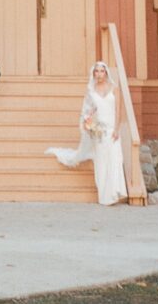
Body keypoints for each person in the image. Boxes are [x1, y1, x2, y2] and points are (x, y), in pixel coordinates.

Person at [46, 61, 127, 205]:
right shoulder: (91, 91)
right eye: (97, 71)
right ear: (94, 73)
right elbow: (88, 111)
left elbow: (118, 110)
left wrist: (116, 129)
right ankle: (104, 196)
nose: (99, 74)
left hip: (111, 129)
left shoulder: (115, 89)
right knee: (101, 162)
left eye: (102, 71)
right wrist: (88, 122)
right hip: (99, 130)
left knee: (114, 159)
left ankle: (114, 192)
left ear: (106, 73)